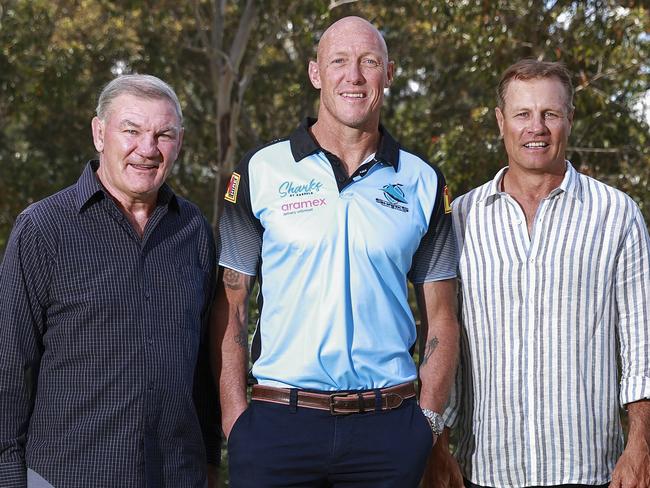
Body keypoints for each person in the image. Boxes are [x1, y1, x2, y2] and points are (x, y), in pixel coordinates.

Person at [213, 15, 459, 488]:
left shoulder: (423, 182)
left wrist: (426, 421)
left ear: (388, 75)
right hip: (276, 424)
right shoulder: (261, 171)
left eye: (370, 62)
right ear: (315, 73)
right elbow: (232, 305)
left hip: (388, 430)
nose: (355, 76)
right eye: (339, 61)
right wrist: (235, 419)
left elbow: (442, 317)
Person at [427, 59, 650, 488]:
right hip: (487, 471)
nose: (537, 128)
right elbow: (443, 338)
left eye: (550, 113)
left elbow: (643, 346)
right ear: (500, 122)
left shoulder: (617, 215)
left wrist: (640, 443)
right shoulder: (460, 220)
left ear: (570, 118)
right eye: (523, 114)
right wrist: (438, 444)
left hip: (590, 471)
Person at [0, 74, 220, 487]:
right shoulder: (43, 229)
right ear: (100, 133)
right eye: (131, 131)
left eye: (163, 135)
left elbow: (203, 369)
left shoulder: (194, 230)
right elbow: (8, 368)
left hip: (176, 475)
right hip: (67, 476)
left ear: (180, 141)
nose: (147, 149)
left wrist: (209, 462)